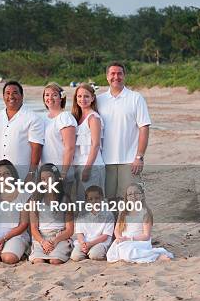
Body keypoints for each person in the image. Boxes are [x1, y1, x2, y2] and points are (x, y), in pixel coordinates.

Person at [97, 63, 151, 202]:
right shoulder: (99, 100)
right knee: (109, 202)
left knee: (131, 202)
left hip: (129, 161)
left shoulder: (135, 98)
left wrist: (139, 157)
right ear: (107, 76)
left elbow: (144, 128)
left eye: (119, 73)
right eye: (112, 74)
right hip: (105, 161)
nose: (116, 77)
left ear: (124, 76)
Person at [0, 81, 44, 188]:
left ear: (22, 96)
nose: (11, 96)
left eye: (15, 93)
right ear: (3, 96)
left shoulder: (33, 118)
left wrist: (31, 173)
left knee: (22, 204)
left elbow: (36, 148)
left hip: (22, 175)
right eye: (7, 93)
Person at [107, 184, 173, 263]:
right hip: (124, 241)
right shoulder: (123, 212)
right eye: (130, 194)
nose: (133, 196)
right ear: (127, 197)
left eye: (136, 193)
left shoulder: (145, 212)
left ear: (142, 195)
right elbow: (117, 230)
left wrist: (130, 239)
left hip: (140, 241)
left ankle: (156, 256)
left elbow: (146, 235)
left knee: (128, 254)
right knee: (111, 255)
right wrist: (119, 238)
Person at [0, 160, 30, 264]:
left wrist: (4, 239)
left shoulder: (23, 195)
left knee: (8, 258)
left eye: (6, 174)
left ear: (12, 174)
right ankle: (1, 251)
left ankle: (16, 251)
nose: (3, 178)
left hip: (15, 235)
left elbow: (24, 224)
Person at [28, 164, 74, 265]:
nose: (47, 182)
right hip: (41, 237)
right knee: (38, 261)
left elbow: (70, 229)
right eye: (43, 179)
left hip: (60, 236)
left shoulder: (65, 199)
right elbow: (34, 228)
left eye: (49, 178)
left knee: (55, 261)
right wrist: (43, 242)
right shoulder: (35, 200)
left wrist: (56, 240)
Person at [41, 82, 77, 197]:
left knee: (64, 208)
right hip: (46, 174)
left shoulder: (65, 117)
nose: (50, 98)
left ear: (61, 97)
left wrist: (63, 173)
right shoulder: (42, 118)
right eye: (47, 95)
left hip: (61, 173)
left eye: (54, 95)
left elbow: (70, 147)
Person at [71, 83, 105, 201]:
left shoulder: (93, 118)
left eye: (86, 96)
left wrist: (87, 168)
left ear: (92, 98)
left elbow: (95, 145)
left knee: (93, 202)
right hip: (79, 165)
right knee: (82, 201)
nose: (82, 99)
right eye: (79, 96)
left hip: (92, 166)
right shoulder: (77, 117)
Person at [70, 185, 115, 261]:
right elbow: (79, 233)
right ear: (87, 201)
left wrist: (91, 244)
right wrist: (83, 244)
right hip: (85, 242)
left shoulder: (108, 214)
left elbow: (105, 236)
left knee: (95, 255)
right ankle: (86, 252)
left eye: (97, 198)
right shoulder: (82, 214)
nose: (94, 201)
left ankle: (92, 253)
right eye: (90, 199)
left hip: (100, 242)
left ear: (102, 198)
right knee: (76, 257)